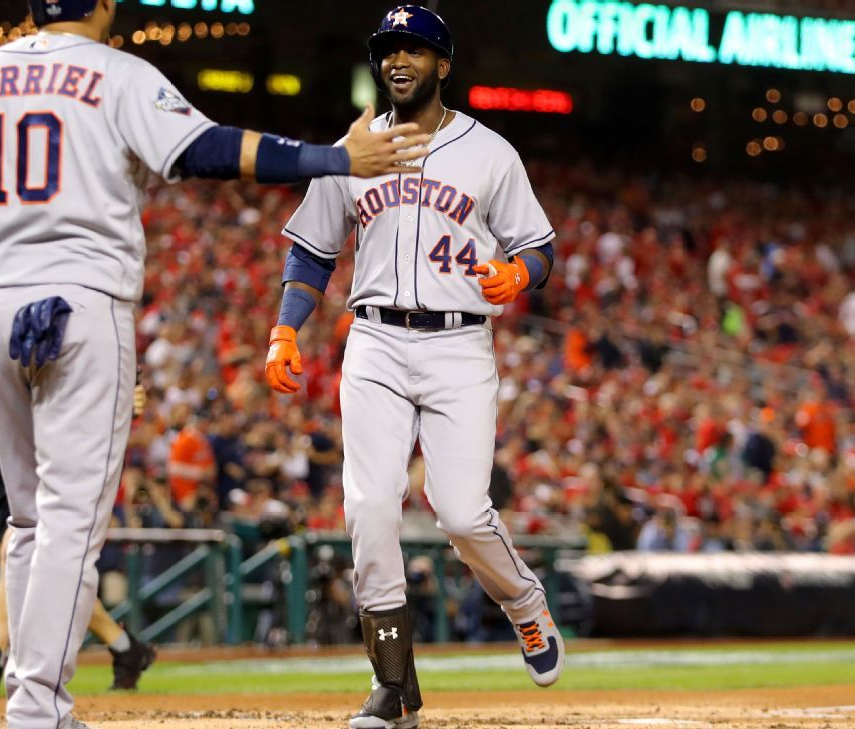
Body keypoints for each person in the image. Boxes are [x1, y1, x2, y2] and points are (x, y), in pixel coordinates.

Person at [0, 0, 428, 724]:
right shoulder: (118, 72)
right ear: (102, 6)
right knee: (72, 524)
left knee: (29, 519)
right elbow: (211, 150)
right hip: (82, 302)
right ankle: (38, 705)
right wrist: (334, 158)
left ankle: (29, 688)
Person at [263, 7, 564, 728]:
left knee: (460, 511)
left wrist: (518, 275)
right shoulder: (356, 143)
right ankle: (391, 687)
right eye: (388, 50)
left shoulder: (489, 151)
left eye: (415, 49)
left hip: (459, 344)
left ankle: (523, 601)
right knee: (368, 507)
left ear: (443, 64)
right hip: (374, 339)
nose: (398, 60)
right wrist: (284, 328)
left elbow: (540, 247)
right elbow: (312, 248)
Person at [0, 341, 157, 697]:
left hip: (54, 441)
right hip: (4, 446)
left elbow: (101, 370)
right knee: (30, 554)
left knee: (27, 547)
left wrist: (122, 394)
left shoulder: (58, 309)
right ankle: (124, 646)